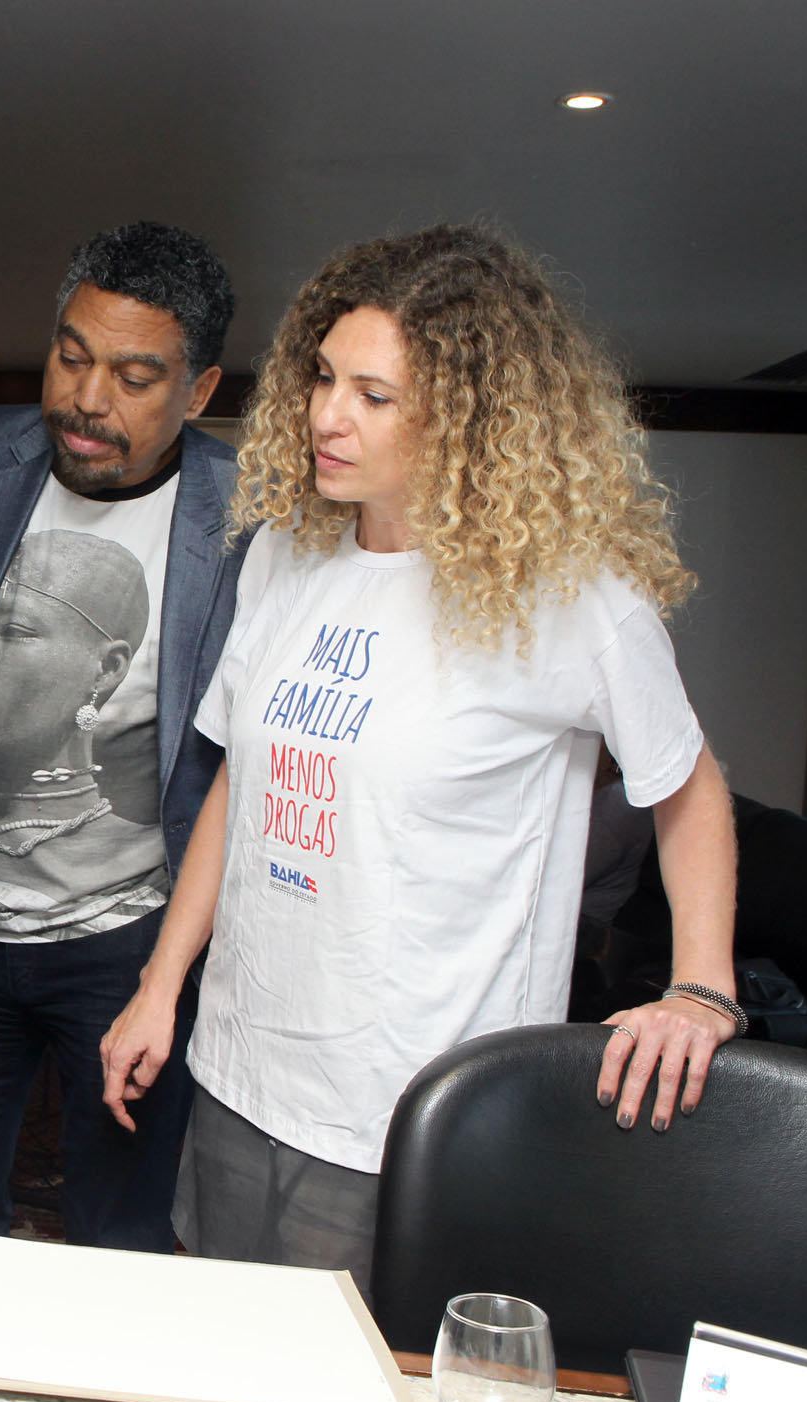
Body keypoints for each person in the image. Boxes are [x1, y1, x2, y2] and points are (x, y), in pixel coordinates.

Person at [100, 225, 739, 1292]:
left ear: (469, 415)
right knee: (217, 1346)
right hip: (239, 1072)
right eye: (321, 377)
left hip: (411, 1110)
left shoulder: (569, 597)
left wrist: (701, 989)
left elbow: (689, 785)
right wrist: (159, 986)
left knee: (363, 1366)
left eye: (374, 395)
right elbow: (242, 786)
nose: (325, 414)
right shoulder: (286, 553)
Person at [0, 222, 242, 1250]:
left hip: (126, 943)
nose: (87, 399)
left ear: (198, 389)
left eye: (134, 377)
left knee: (118, 1235)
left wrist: (168, 972)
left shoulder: (246, 520)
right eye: (71, 357)